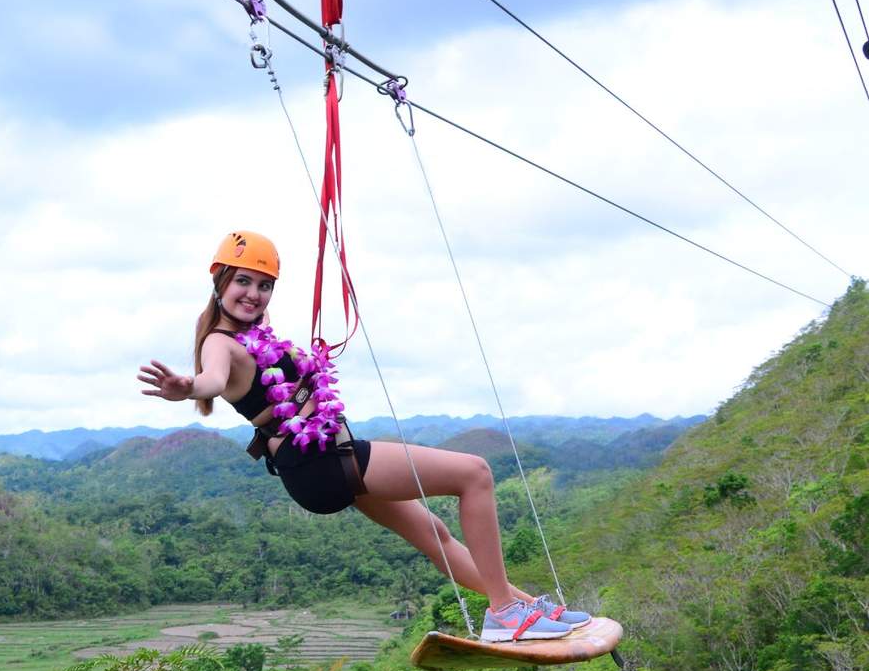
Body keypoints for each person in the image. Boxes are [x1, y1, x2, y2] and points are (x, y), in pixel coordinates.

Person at [138, 231, 589, 642]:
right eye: (243, 282)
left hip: (319, 466)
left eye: (264, 285)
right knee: (475, 474)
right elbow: (212, 379)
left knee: (436, 535)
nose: (254, 294)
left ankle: (525, 606)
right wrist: (187, 388)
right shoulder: (222, 342)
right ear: (219, 282)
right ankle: (505, 612)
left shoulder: (255, 336)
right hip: (324, 463)